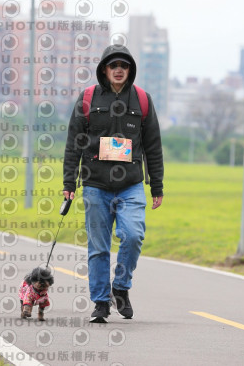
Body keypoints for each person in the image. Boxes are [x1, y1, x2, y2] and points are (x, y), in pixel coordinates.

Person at [63, 44, 164, 323]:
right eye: (113, 65)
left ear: (130, 70)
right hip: (95, 184)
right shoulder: (87, 98)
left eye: (124, 65)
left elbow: (153, 146)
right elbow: (73, 144)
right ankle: (100, 302)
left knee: (133, 236)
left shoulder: (142, 100)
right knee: (98, 248)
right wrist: (69, 182)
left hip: (131, 184)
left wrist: (157, 185)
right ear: (104, 70)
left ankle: (120, 287)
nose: (119, 70)